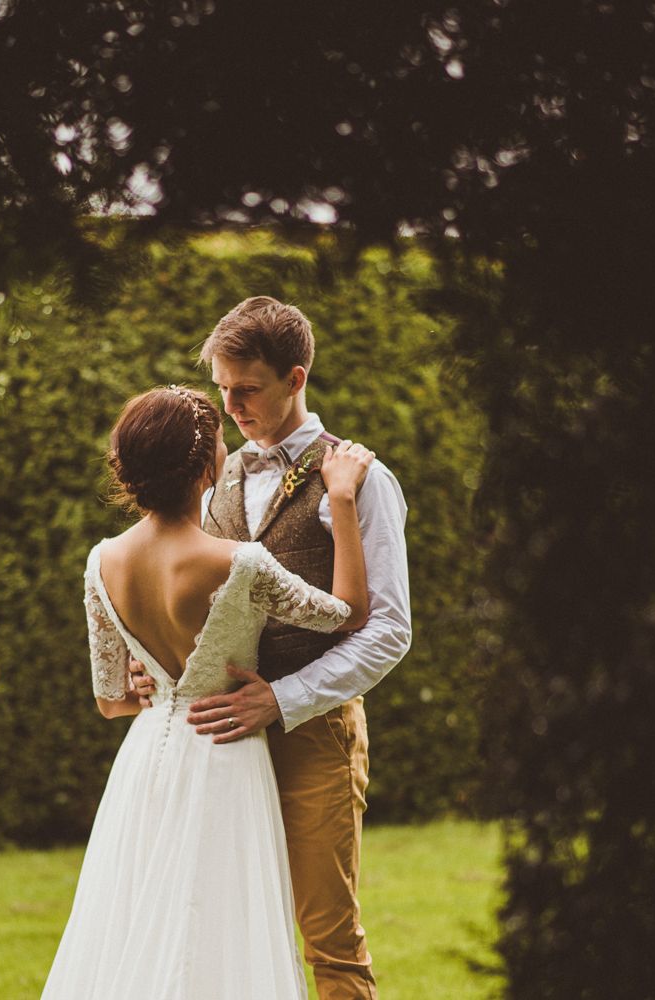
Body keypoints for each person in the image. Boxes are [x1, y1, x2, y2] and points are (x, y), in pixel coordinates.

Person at [41, 385, 375, 1000]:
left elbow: (111, 699)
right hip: (224, 752)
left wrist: (153, 681)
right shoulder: (238, 562)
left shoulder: (102, 561)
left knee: (144, 924)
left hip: (146, 764)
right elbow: (351, 613)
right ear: (204, 467)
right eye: (220, 441)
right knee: (218, 926)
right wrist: (343, 498)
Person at [132, 298, 412, 1000]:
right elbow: (190, 595)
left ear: (295, 377)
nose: (230, 407)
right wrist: (154, 664)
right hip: (219, 744)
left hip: (314, 738)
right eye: (222, 389)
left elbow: (388, 630)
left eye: (246, 389)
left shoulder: (361, 479)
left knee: (330, 941)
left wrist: (281, 700)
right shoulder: (212, 475)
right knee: (218, 930)